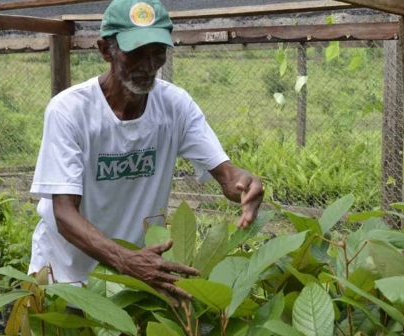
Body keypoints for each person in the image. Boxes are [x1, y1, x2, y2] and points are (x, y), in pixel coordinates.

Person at [28, 0, 264, 307]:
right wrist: (125, 260)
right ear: (105, 50)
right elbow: (64, 212)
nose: (148, 66)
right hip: (64, 279)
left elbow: (228, 174)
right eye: (135, 52)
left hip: (135, 279)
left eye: (157, 53)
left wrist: (243, 185)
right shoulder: (71, 111)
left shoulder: (175, 105)